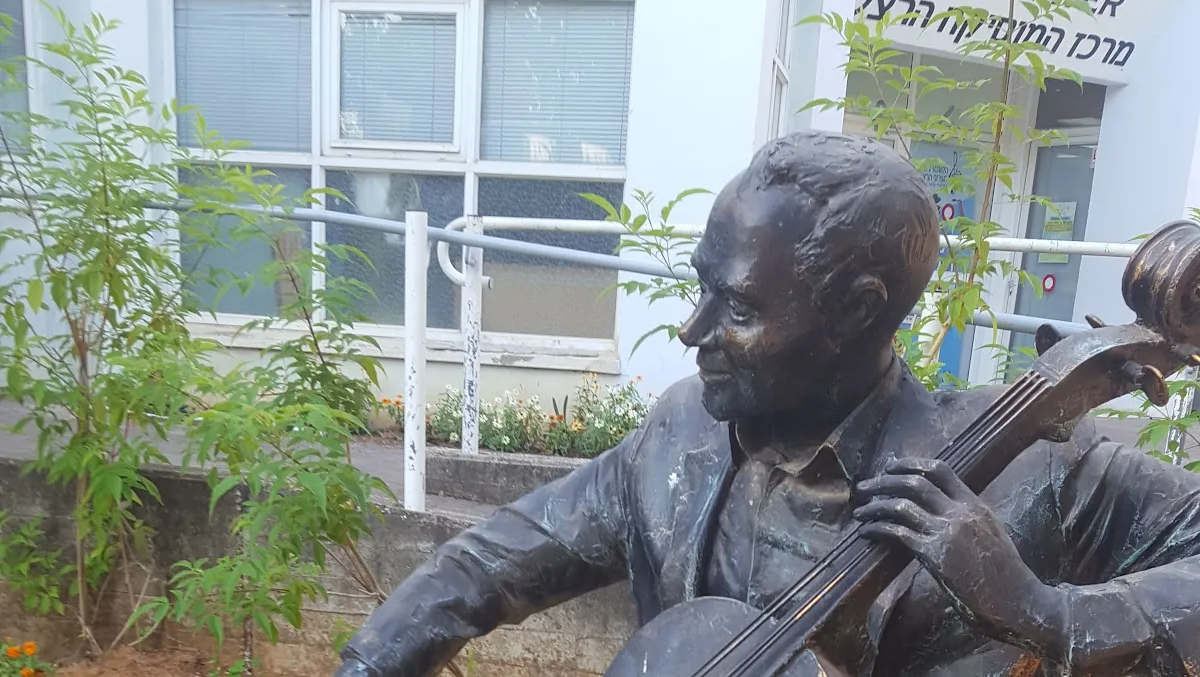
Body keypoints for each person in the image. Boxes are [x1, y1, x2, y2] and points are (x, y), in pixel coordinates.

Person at [335, 130, 1200, 677]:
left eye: (740, 309)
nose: (692, 330)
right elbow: (483, 567)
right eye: (703, 288)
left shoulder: (1031, 474)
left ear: (856, 310)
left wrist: (1045, 614)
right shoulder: (678, 437)